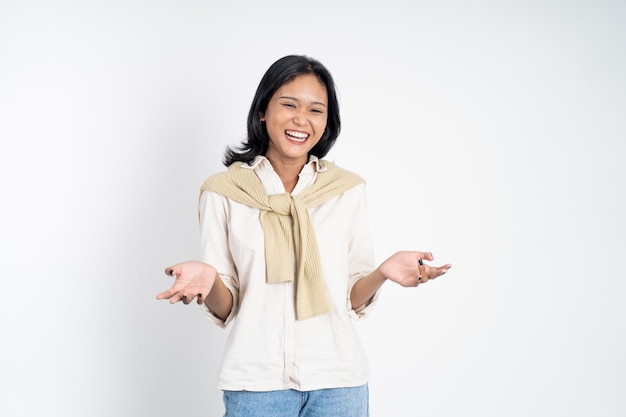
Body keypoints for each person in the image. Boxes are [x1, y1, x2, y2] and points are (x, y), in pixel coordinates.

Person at [156, 54, 452, 417]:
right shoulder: (224, 191)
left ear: (327, 122)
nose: (302, 120)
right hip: (256, 385)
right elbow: (227, 306)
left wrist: (382, 273)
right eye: (289, 105)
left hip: (339, 383)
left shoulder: (346, 189)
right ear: (263, 110)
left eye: (316, 110)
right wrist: (209, 279)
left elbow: (352, 300)